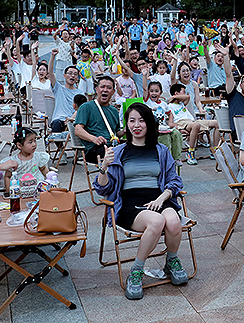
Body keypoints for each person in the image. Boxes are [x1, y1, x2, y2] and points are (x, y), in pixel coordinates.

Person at [93, 103, 188, 300]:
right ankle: (136, 271)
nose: (136, 125)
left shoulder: (161, 150)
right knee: (156, 221)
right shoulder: (119, 152)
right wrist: (104, 166)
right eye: (132, 121)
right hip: (130, 205)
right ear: (127, 125)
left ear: (149, 123)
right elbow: (103, 189)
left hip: (158, 199)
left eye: (142, 120)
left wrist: (162, 197)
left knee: (173, 221)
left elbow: (174, 180)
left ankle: (171, 261)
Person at [74, 76, 121, 164]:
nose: (105, 90)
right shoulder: (86, 107)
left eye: (109, 88)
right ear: (96, 89)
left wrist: (126, 130)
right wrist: (94, 139)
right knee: (113, 154)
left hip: (111, 146)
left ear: (113, 92)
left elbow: (117, 133)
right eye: (102, 87)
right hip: (94, 149)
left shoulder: (114, 111)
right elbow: (78, 130)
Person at [48, 48, 83, 139]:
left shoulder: (80, 92)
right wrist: (52, 56)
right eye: (70, 73)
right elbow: (50, 72)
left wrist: (71, 119)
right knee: (56, 124)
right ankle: (59, 146)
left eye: (75, 74)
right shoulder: (58, 88)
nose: (72, 76)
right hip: (59, 120)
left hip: (74, 121)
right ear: (64, 76)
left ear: (77, 78)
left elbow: (80, 109)